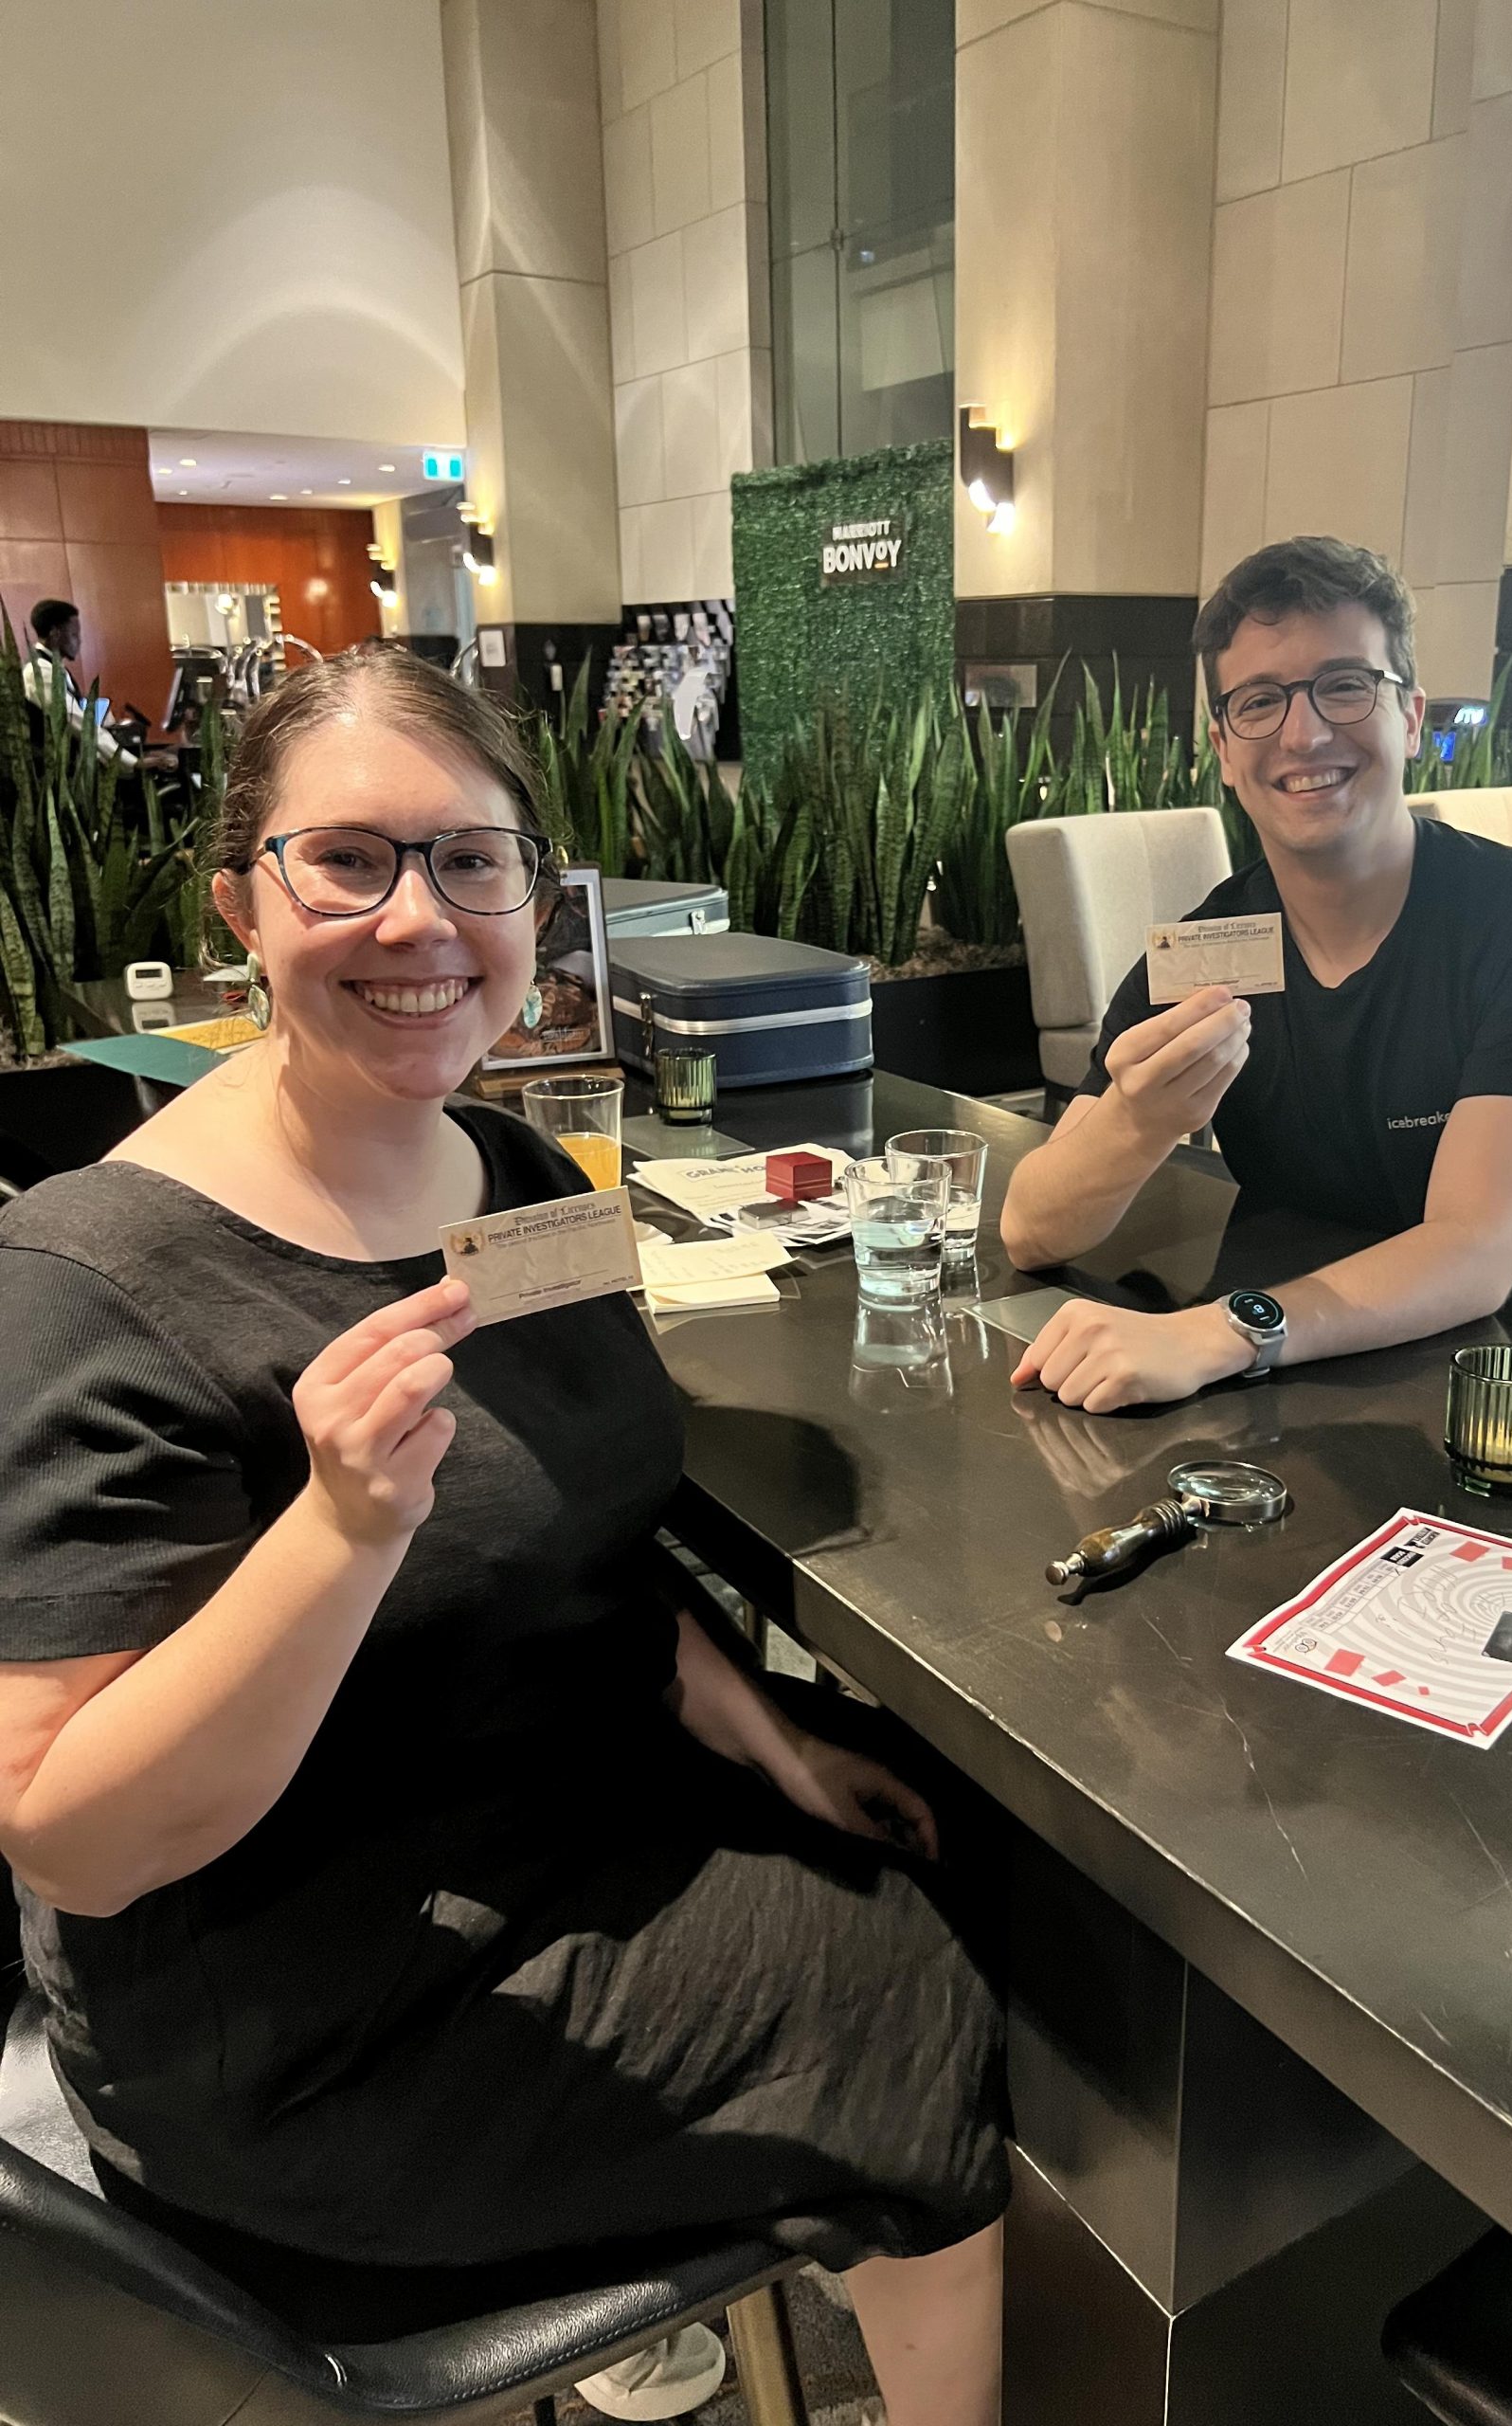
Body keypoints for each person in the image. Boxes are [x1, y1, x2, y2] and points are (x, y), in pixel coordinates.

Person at [0, 649, 1005, 2426]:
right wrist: (339, 1532)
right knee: (925, 1998)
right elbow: (70, 1841)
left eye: (473, 861)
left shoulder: (521, 1179)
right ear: (240, 905)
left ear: (537, 901)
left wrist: (769, 1739)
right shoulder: (92, 1280)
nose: (420, 920)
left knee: (977, 1853)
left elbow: (584, 1551)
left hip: (566, 1814)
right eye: (347, 862)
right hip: (319, 2024)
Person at [1000, 534, 1512, 1414]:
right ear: (1223, 747)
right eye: (1259, 702)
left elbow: (1474, 1248)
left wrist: (1219, 1333)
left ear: (1411, 717)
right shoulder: (1210, 951)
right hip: (1328, 1390)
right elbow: (1030, 1229)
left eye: (1345, 686)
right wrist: (1138, 1121)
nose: (1304, 733)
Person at [22, 596, 176, 773]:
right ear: (55, 633)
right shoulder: (39, 672)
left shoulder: (54, 668)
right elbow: (80, 725)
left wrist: (131, 759)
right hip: (53, 774)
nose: (79, 641)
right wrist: (133, 762)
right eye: (74, 634)